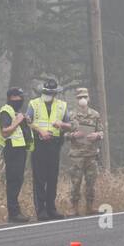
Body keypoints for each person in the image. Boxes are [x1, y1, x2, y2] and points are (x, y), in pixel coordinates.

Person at [27, 77, 70, 220]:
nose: (49, 94)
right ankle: (41, 210)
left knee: (52, 177)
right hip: (39, 144)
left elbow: (70, 124)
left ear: (56, 93)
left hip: (55, 144)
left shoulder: (62, 105)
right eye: (47, 91)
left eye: (52, 92)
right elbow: (28, 122)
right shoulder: (34, 103)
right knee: (39, 177)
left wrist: (62, 125)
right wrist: (40, 131)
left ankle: (51, 208)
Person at [0, 86, 34, 223]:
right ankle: (13, 213)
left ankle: (16, 211)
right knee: (13, 181)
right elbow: (5, 131)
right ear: (11, 98)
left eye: (21, 97)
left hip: (20, 149)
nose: (20, 100)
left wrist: (25, 121)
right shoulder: (6, 111)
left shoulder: (15, 111)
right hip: (12, 149)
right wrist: (17, 122)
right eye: (17, 97)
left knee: (18, 180)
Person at [66, 87, 104, 216]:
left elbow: (101, 132)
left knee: (91, 182)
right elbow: (64, 134)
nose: (82, 99)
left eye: (85, 97)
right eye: (79, 97)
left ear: (89, 98)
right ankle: (74, 207)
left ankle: (90, 206)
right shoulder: (70, 115)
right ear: (76, 99)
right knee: (75, 182)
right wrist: (73, 135)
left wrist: (97, 136)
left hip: (91, 154)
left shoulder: (95, 114)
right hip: (77, 155)